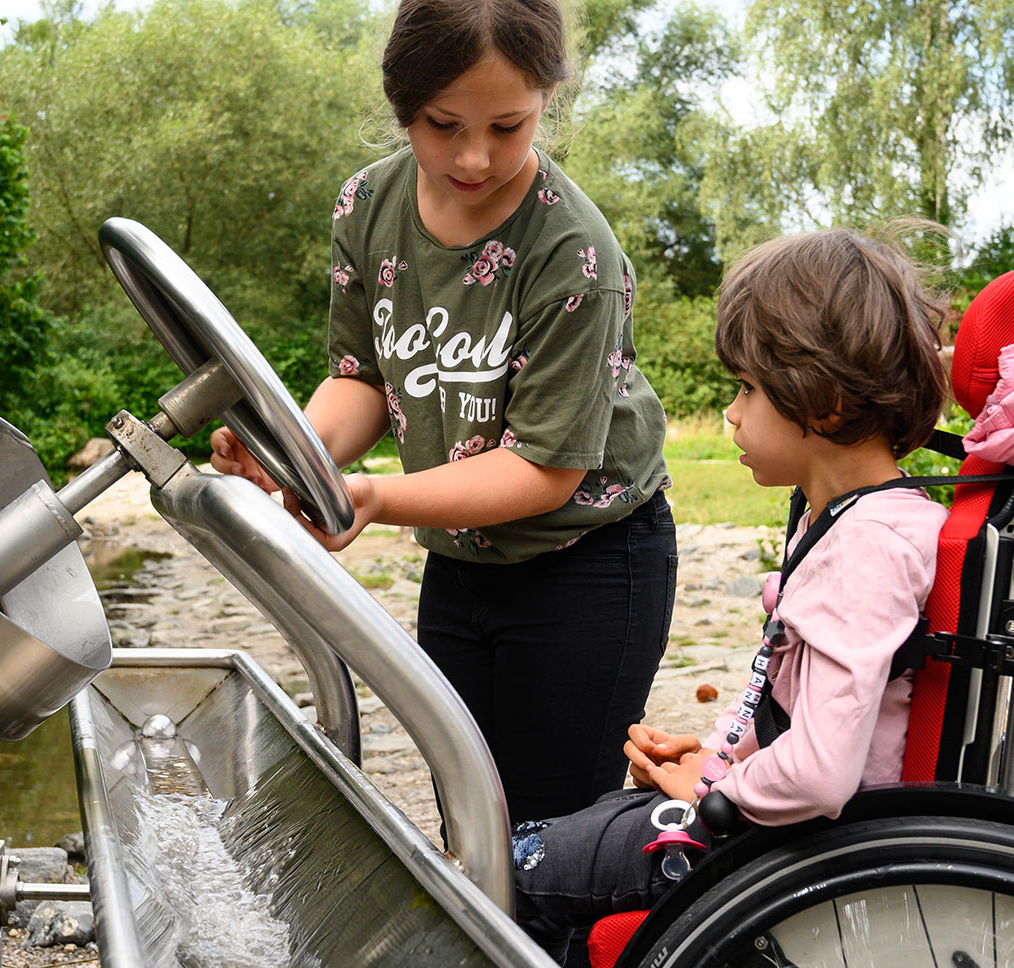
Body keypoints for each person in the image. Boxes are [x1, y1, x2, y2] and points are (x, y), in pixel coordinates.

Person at [210, 0, 676, 825]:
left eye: (508, 126)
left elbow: (545, 467)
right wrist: (299, 456)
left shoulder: (574, 252)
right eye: (442, 123)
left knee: (552, 833)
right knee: (468, 815)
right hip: (461, 558)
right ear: (402, 103)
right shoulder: (367, 205)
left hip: (590, 562)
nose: (473, 155)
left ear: (547, 100)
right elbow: (362, 378)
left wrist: (380, 499)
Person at [509, 227, 953, 966]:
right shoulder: (851, 518)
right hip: (777, 825)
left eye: (747, 388)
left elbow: (818, 771)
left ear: (828, 402)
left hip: (805, 851)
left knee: (523, 863)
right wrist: (711, 764)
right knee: (565, 834)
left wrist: (722, 793)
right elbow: (789, 702)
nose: (732, 413)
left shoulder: (866, 547)